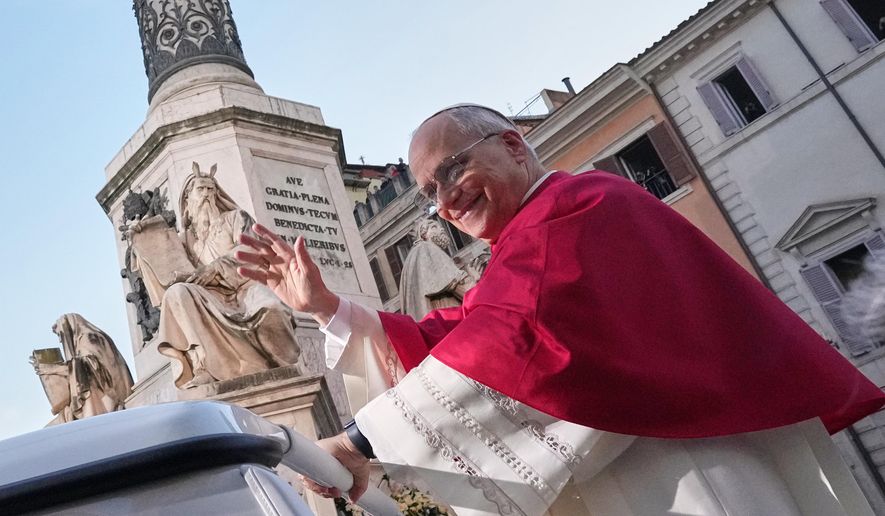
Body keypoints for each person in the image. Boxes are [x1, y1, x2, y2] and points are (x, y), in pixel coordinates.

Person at [237, 105, 885, 515]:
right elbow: (466, 331)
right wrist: (329, 308)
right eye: (429, 191)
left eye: (452, 169)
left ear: (515, 145)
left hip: (685, 472)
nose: (444, 200)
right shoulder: (524, 245)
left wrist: (358, 442)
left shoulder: (581, 207)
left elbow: (518, 337)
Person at [140, 165, 300, 388]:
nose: (206, 194)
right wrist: (144, 241)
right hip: (209, 296)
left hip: (246, 286)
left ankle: (281, 367)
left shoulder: (235, 218)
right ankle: (204, 364)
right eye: (200, 189)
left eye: (210, 189)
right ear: (187, 199)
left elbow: (252, 251)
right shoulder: (184, 239)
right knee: (176, 293)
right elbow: (167, 269)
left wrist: (215, 268)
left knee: (271, 307)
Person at [31, 313, 134, 424]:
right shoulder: (87, 339)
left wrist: (52, 369)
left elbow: (88, 368)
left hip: (108, 398)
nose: (61, 341)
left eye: (60, 335)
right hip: (101, 396)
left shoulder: (89, 338)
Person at [399, 217, 476, 321]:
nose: (442, 229)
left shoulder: (412, 259)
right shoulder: (426, 248)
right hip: (449, 319)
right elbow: (457, 282)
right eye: (434, 227)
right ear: (423, 235)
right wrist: (478, 285)